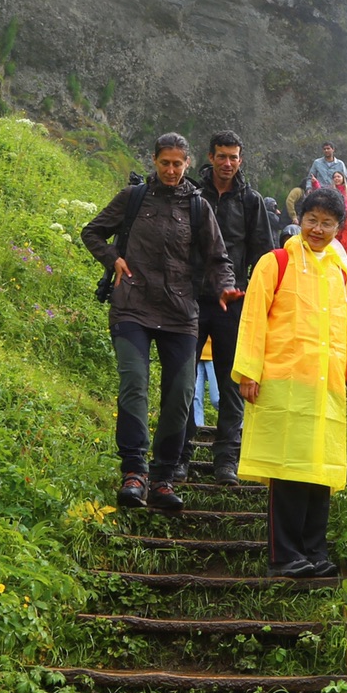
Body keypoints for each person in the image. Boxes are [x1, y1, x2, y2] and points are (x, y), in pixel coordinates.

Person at [229, 187, 347, 578]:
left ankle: (315, 552)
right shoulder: (275, 262)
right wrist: (248, 370)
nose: (318, 229)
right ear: (299, 220)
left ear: (339, 227)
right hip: (283, 384)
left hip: (326, 390)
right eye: (311, 220)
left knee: (321, 474)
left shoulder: (340, 276)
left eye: (327, 223)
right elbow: (253, 318)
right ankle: (284, 556)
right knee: (288, 471)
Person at [82, 133, 233, 513]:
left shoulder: (198, 208)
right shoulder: (132, 199)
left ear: (187, 163)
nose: (170, 170)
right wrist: (113, 259)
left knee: (181, 392)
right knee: (134, 383)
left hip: (181, 312)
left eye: (177, 164)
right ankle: (135, 472)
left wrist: (226, 288)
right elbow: (92, 231)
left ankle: (163, 477)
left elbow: (218, 258)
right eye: (164, 162)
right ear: (154, 160)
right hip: (132, 305)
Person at [182, 130, 278, 482]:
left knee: (231, 378)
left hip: (234, 303)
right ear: (210, 157)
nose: (227, 163)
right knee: (183, 378)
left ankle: (227, 459)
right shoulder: (192, 195)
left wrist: (252, 294)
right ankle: (181, 455)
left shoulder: (250, 201)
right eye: (221, 156)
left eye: (233, 157)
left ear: (241, 160)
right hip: (191, 299)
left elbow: (264, 254)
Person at [193, 336, 219, 435]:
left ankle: (238, 426)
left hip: (215, 355)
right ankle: (198, 430)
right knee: (195, 397)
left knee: (217, 398)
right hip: (196, 353)